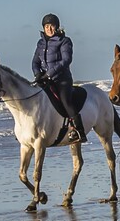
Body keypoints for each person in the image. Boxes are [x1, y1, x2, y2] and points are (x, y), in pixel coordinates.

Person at [32, 13, 87, 144]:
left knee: (65, 101)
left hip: (62, 80)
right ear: (43, 28)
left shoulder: (64, 41)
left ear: (56, 27)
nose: (49, 29)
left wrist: (49, 73)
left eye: (52, 26)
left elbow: (66, 60)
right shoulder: (40, 43)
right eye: (47, 26)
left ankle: (79, 131)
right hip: (45, 80)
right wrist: (37, 74)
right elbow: (35, 62)